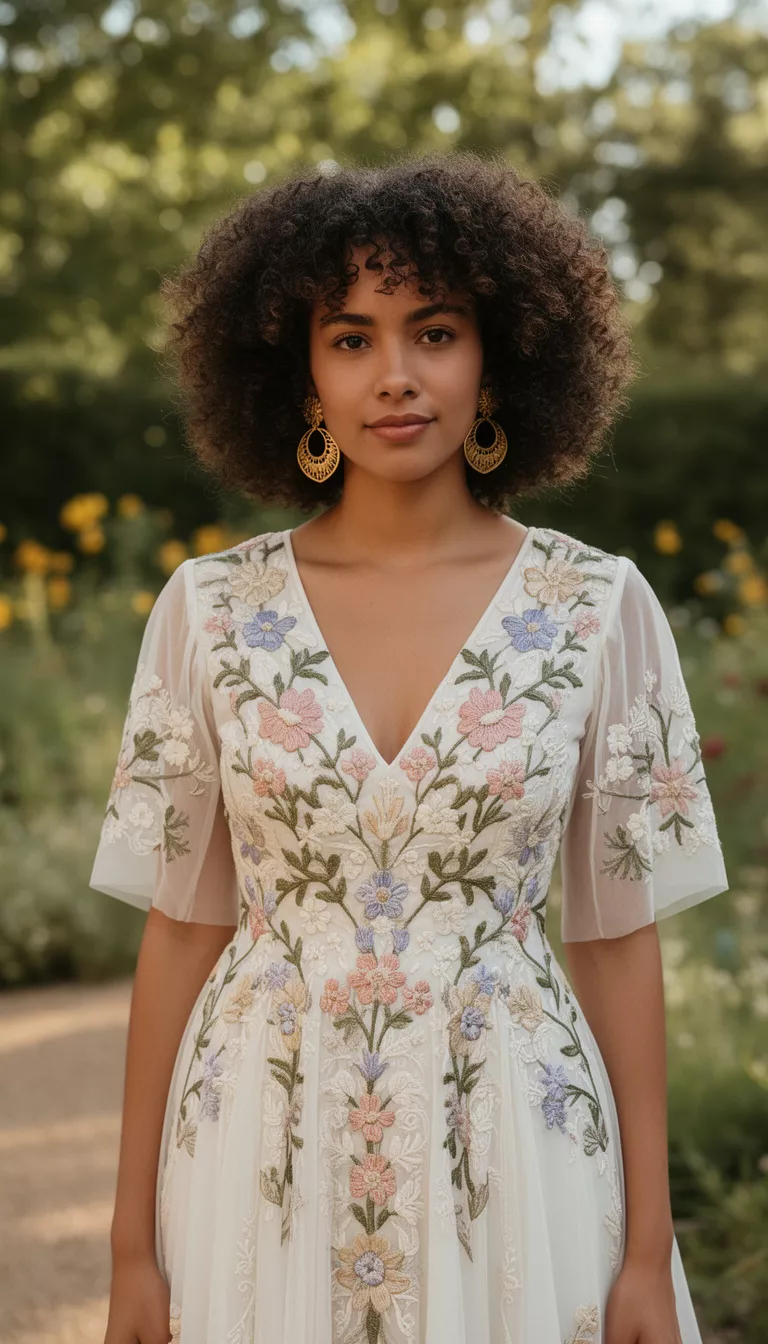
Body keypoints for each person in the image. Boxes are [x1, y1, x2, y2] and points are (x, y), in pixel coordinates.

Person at [91, 150, 729, 1344]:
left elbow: (617, 940)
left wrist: (651, 1246)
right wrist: (131, 1244)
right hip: (256, 1145)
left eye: (434, 332)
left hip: (520, 1145)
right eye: (351, 339)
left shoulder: (597, 607)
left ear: (497, 361)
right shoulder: (208, 611)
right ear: (299, 375)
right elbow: (179, 930)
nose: (396, 375)